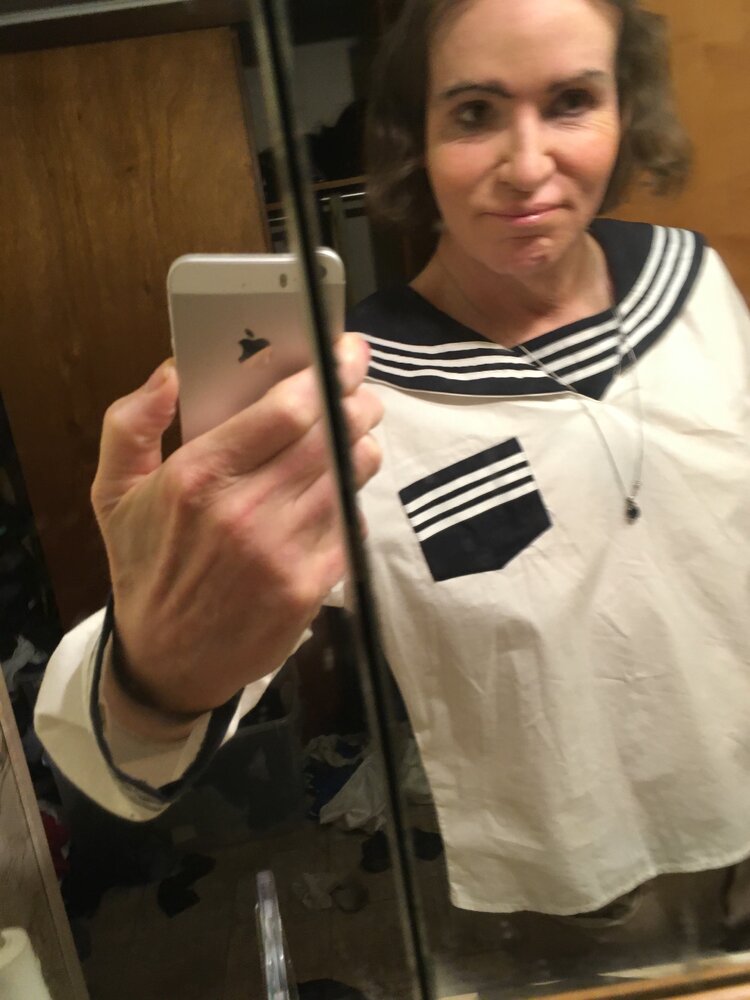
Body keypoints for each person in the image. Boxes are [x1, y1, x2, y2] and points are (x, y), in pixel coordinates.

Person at [36, 0, 750, 922]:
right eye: (474, 113)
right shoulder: (350, 393)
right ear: (416, 138)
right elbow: (118, 759)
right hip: (568, 885)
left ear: (625, 109)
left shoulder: (694, 280)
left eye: (572, 101)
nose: (528, 165)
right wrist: (150, 673)